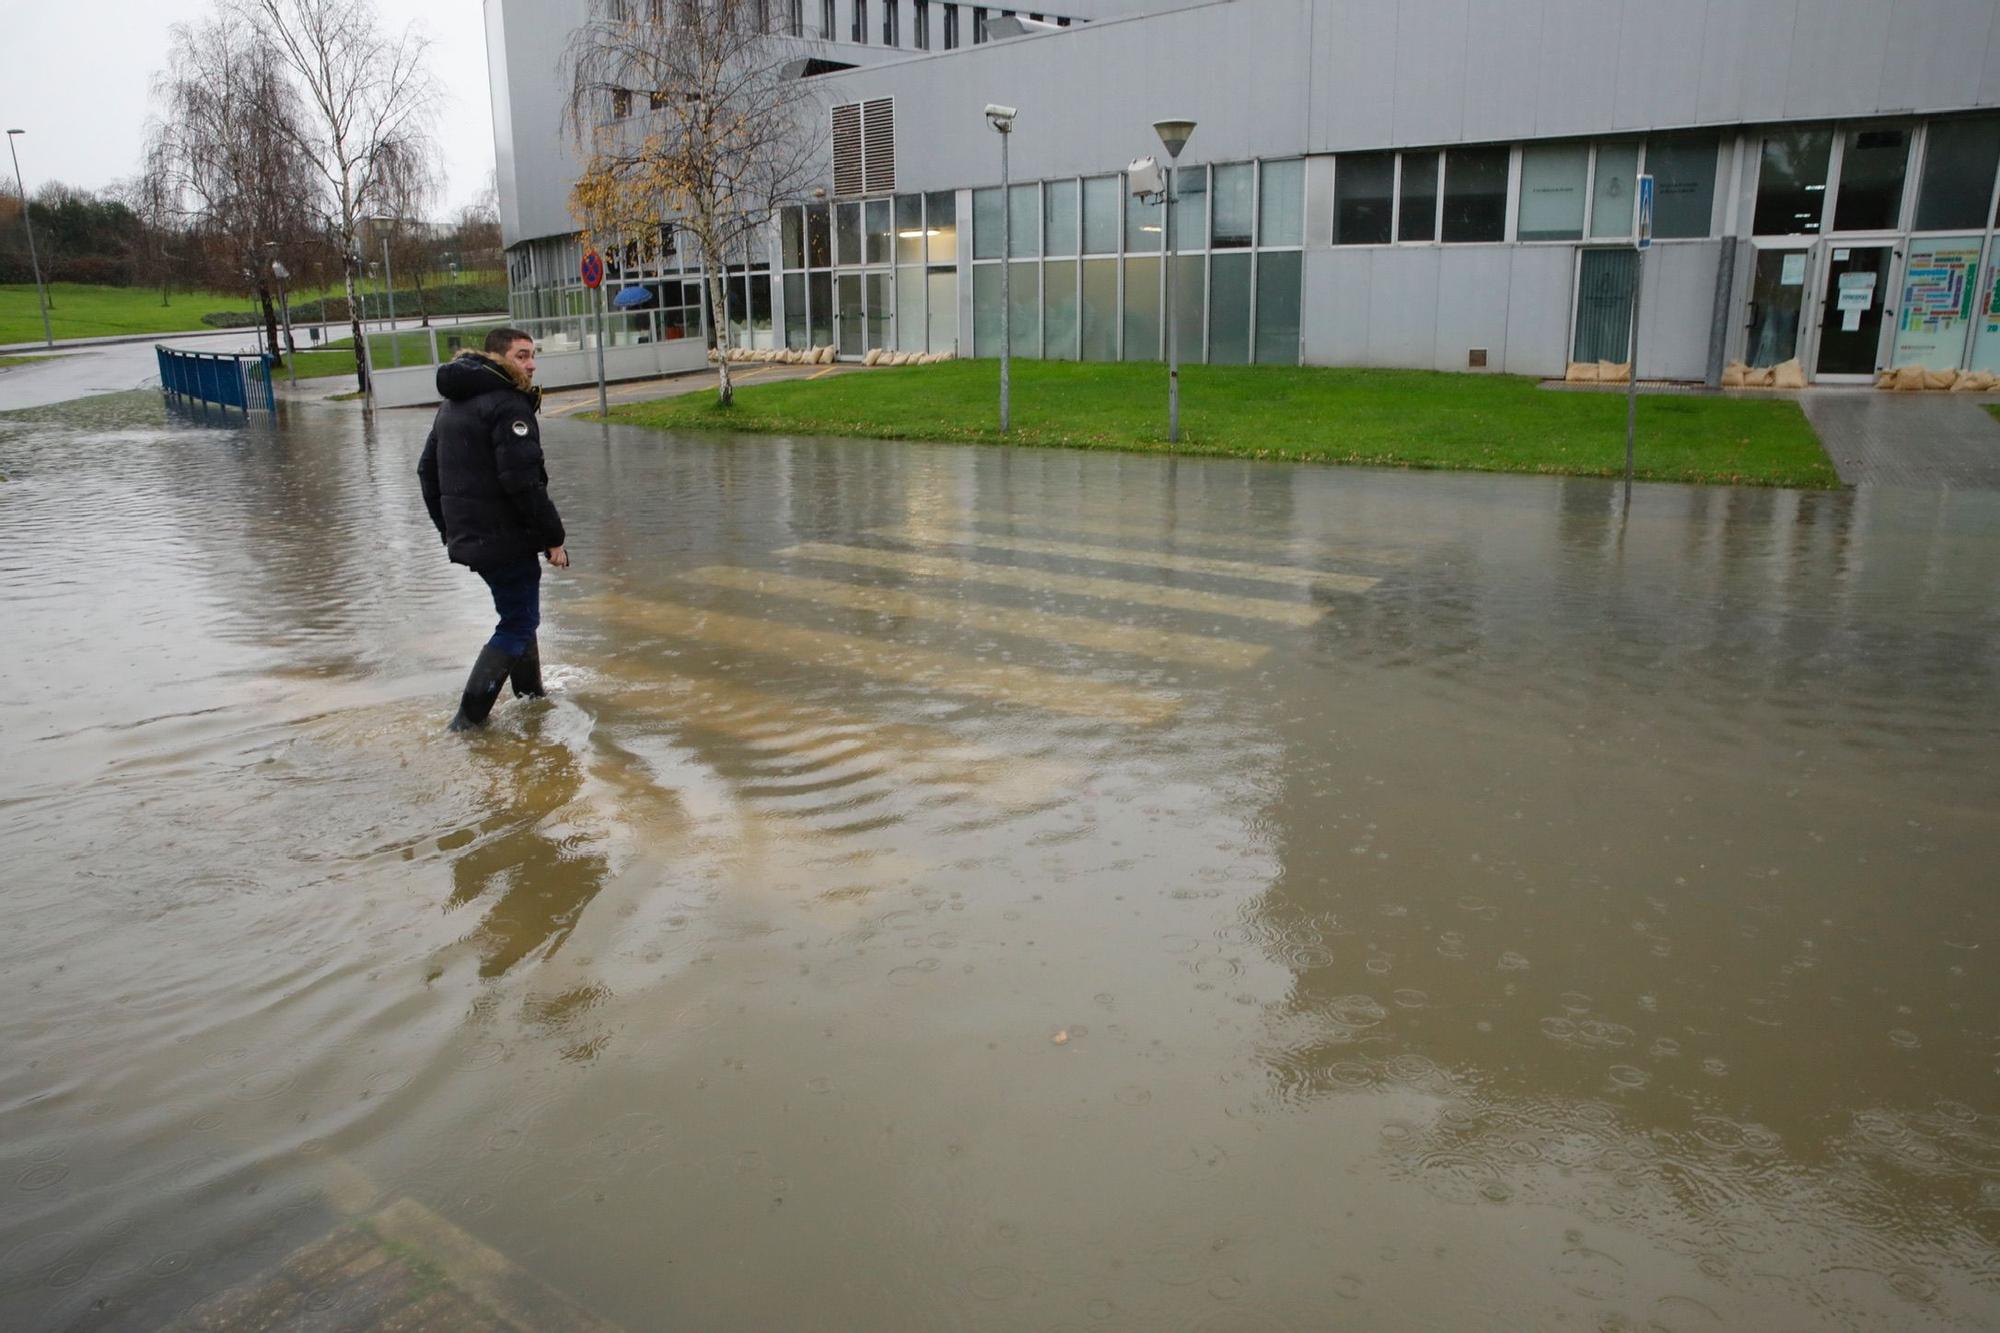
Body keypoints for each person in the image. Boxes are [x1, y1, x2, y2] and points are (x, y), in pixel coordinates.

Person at [418, 327, 570, 731]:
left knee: (520, 615)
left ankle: (531, 700)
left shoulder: (453, 404)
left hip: (477, 538)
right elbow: (524, 483)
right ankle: (466, 723)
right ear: (499, 358)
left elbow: (426, 473)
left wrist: (450, 530)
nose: (531, 363)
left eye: (533, 354)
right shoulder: (507, 404)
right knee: (518, 622)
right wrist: (554, 538)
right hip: (506, 539)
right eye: (522, 355)